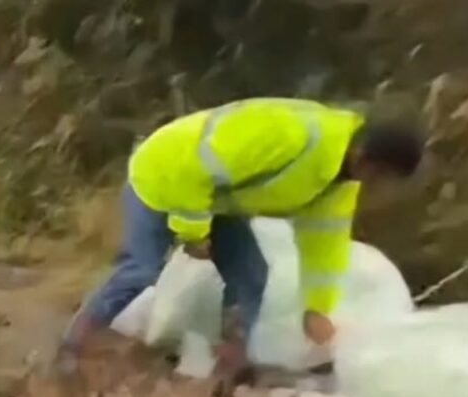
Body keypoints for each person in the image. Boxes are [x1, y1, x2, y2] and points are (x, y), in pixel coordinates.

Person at [61, 97, 424, 375]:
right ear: (364, 155)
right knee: (140, 271)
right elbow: (199, 163)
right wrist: (193, 231)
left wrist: (317, 309)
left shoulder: (339, 185)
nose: (378, 186)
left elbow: (324, 249)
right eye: (381, 176)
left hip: (216, 202)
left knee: (252, 278)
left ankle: (230, 368)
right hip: (162, 175)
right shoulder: (295, 135)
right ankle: (73, 345)